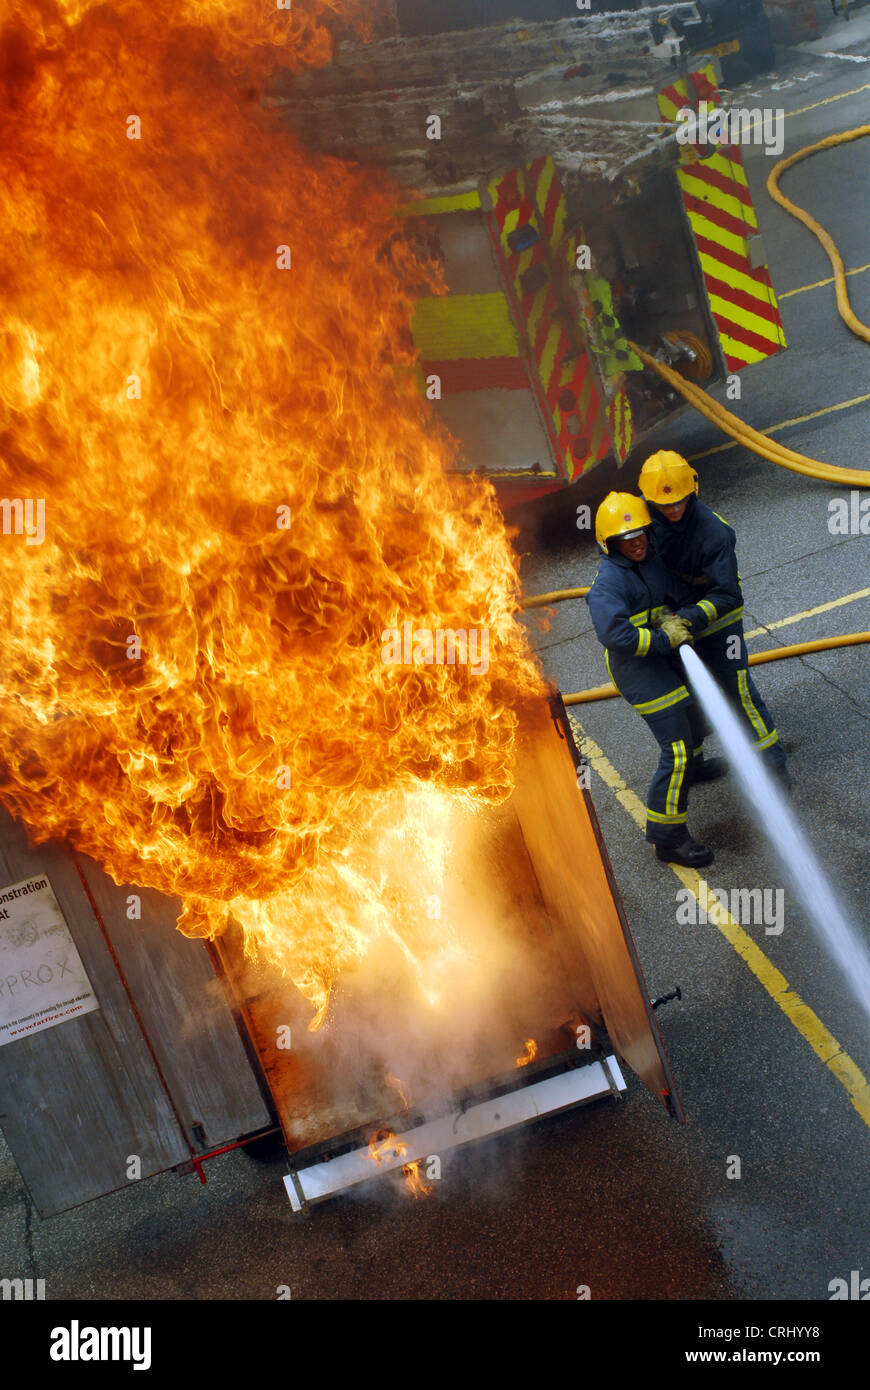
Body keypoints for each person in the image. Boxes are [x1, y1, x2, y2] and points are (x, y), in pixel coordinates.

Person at [637, 450, 790, 788]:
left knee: (739, 693)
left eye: (680, 502)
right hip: (673, 624)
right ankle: (695, 765)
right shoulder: (644, 519)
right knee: (686, 697)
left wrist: (687, 618)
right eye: (665, 505)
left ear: (694, 491)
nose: (674, 510)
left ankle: (774, 767)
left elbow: (728, 595)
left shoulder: (713, 532)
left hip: (720, 627)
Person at [586, 491, 716, 868]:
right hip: (637, 671)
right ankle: (668, 838)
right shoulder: (608, 584)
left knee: (695, 717)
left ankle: (695, 768)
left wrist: (674, 616)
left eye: (641, 534)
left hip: (661, 657)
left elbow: (665, 598)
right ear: (610, 545)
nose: (637, 542)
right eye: (627, 539)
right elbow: (617, 636)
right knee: (675, 749)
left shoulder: (651, 562)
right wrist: (663, 637)